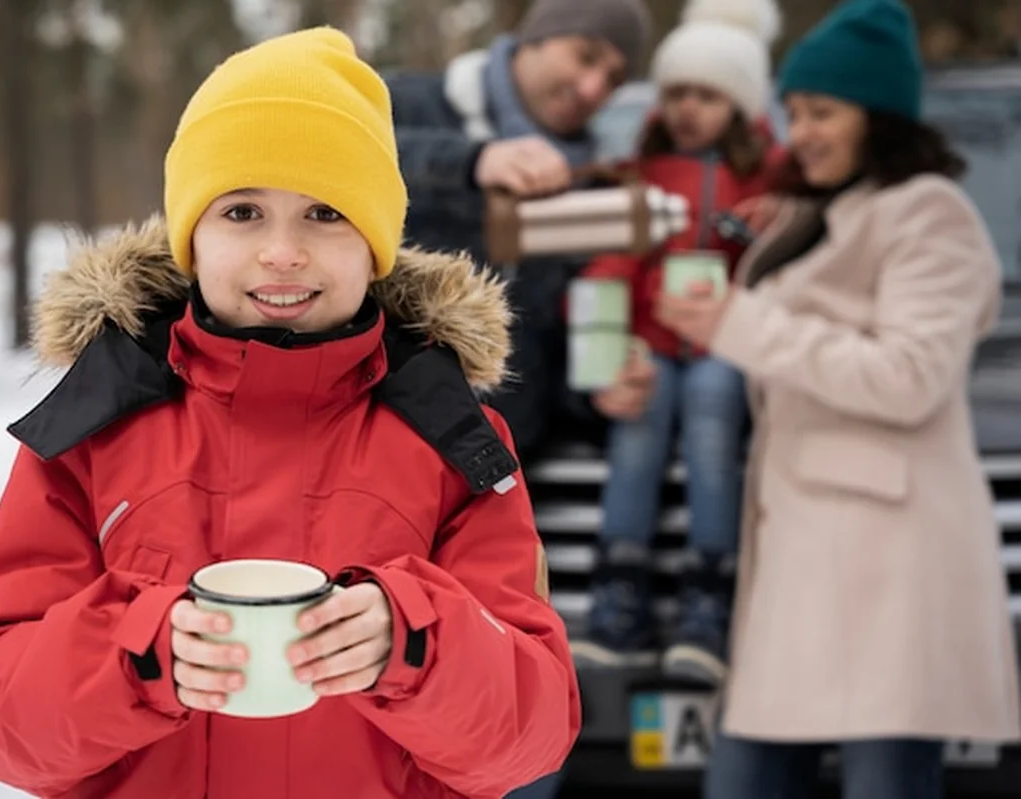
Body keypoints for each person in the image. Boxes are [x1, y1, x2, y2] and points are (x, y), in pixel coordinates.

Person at [0, 28, 580, 799]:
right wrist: (132, 655)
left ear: (376, 243)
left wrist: (420, 643)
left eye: (325, 212)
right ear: (191, 238)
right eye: (242, 211)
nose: (283, 252)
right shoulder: (92, 427)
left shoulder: (456, 440)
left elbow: (534, 735)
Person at [655, 1, 1021, 796]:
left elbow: (910, 376)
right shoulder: (817, 216)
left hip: (887, 576)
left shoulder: (929, 213)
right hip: (800, 567)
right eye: (793, 111)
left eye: (823, 110)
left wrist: (740, 320)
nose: (801, 130)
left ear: (880, 116)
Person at [571, 0, 783, 688]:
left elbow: (796, 252)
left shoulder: (771, 176)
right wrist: (606, 359)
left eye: (708, 94)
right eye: (677, 93)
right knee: (637, 424)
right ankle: (619, 597)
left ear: (741, 104)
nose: (689, 107)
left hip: (725, 345)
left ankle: (708, 597)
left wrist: (772, 224)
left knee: (716, 408)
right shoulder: (646, 170)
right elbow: (613, 261)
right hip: (653, 341)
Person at [386, 0, 653, 459]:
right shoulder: (410, 102)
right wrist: (472, 162)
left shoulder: (587, 185)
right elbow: (313, 157)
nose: (593, 89)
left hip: (505, 464)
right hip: (384, 442)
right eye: (586, 57)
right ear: (536, 37)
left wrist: (599, 389)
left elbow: (551, 345)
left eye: (613, 80)